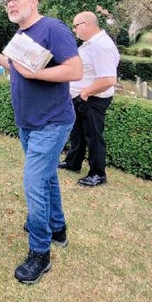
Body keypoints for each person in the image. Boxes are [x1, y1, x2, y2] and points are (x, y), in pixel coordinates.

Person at [0, 0, 83, 285]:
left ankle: (40, 252)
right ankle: (57, 228)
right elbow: (15, 65)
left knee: (34, 183)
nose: (10, 3)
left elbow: (75, 71)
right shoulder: (20, 34)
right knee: (46, 177)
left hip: (52, 122)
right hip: (28, 123)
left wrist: (38, 74)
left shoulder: (53, 28)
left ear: (33, 1)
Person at [58, 11, 120, 186]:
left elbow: (108, 80)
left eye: (75, 26)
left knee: (93, 136)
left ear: (85, 24)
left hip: (92, 98)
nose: (74, 30)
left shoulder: (102, 45)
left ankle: (98, 174)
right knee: (77, 133)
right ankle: (73, 163)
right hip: (82, 97)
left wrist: (85, 94)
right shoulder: (90, 44)